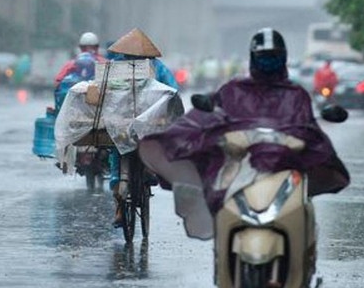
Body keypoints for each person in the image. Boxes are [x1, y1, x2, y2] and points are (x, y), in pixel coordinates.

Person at [139, 28, 350, 238]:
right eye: (263, 58)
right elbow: (209, 116)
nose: (268, 64)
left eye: (273, 59)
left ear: (283, 59)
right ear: (253, 58)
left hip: (285, 168)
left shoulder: (297, 95)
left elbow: (310, 130)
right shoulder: (234, 90)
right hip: (241, 165)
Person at [105, 29, 180, 227]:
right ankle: (149, 169)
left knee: (116, 158)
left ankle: (119, 210)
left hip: (120, 123)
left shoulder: (114, 67)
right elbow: (173, 89)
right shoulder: (157, 66)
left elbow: (102, 90)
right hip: (147, 123)